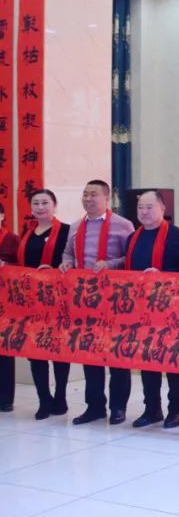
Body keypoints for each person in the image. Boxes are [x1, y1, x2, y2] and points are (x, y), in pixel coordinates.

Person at [60, 179, 136, 425]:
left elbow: (131, 257)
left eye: (93, 194)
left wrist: (111, 264)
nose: (88, 198)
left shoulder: (123, 225)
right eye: (85, 194)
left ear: (106, 198)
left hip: (115, 301)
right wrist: (66, 262)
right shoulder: (75, 226)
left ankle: (118, 407)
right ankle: (94, 407)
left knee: (116, 354)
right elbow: (67, 252)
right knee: (90, 354)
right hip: (86, 301)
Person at [124, 190, 179, 429]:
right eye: (140, 207)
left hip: (171, 310)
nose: (144, 212)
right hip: (143, 311)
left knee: (173, 362)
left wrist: (162, 276)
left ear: (163, 208)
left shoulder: (178, 237)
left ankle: (176, 410)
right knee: (148, 360)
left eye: (149, 207)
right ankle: (152, 409)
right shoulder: (133, 238)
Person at [0, 190, 70, 418]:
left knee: (58, 350)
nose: (40, 207)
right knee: (35, 350)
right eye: (36, 203)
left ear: (54, 205)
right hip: (31, 302)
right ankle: (44, 399)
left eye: (45, 203)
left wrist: (54, 269)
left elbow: (71, 261)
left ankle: (60, 397)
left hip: (57, 300)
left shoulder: (66, 231)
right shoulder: (27, 233)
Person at [0, 202, 23, 411]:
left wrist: (6, 266)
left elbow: (23, 268)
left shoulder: (13, 239)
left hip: (6, 301)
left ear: (1, 216)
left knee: (4, 349)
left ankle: (5, 399)